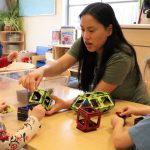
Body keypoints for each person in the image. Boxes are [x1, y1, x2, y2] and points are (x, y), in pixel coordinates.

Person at [19, 2, 150, 116]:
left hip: (134, 109)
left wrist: (66, 104)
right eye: (82, 30)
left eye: (91, 30)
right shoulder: (84, 42)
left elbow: (96, 96)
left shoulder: (121, 56)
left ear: (109, 30)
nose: (86, 36)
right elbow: (60, 64)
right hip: (108, 104)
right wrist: (40, 71)